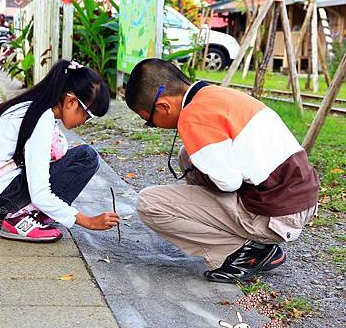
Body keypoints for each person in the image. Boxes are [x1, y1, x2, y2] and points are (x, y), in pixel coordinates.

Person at [125, 58, 319, 283]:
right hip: (299, 198)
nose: (154, 127)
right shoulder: (213, 94)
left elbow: (228, 183)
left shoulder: (193, 117)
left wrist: (200, 180)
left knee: (150, 203)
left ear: (163, 107)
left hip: (276, 215)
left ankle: (247, 253)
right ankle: (253, 244)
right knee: (186, 156)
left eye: (149, 121)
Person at [0, 59, 120, 242]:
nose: (84, 122)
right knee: (87, 157)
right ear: (71, 101)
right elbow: (40, 193)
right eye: (88, 116)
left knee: (83, 155)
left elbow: (59, 150)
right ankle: (21, 219)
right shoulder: (40, 120)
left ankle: (27, 214)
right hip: (2, 199)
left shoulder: (31, 106)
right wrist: (88, 221)